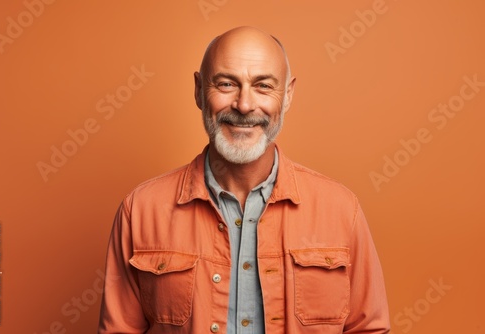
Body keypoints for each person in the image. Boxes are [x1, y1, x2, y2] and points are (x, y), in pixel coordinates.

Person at [98, 26, 390, 333]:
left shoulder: (341, 210)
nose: (245, 105)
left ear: (287, 95)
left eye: (263, 86)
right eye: (226, 84)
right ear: (198, 90)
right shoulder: (141, 210)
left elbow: (368, 328)